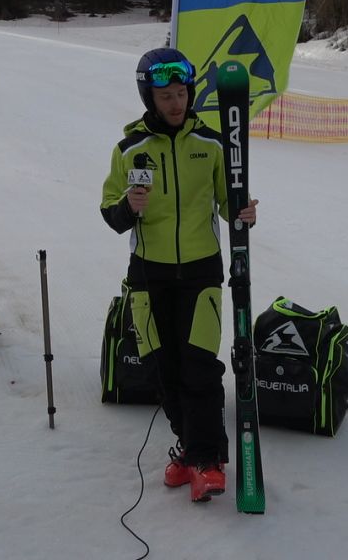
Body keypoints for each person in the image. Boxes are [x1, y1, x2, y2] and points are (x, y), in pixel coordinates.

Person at [100, 48, 258, 503]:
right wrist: (127, 207)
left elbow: (228, 202)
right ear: (149, 98)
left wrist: (243, 212)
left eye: (181, 93)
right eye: (165, 95)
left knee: (199, 368)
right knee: (161, 370)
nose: (176, 103)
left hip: (200, 272)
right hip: (148, 275)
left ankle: (208, 462)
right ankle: (190, 451)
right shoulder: (130, 149)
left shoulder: (211, 144)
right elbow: (110, 212)